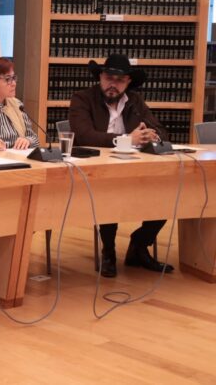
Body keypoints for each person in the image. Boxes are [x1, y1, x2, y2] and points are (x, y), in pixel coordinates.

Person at [69, 54, 173, 278]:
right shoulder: (82, 98)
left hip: (135, 168)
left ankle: (139, 244)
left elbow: (161, 130)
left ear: (128, 82)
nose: (113, 85)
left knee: (169, 193)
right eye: (109, 78)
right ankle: (108, 252)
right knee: (111, 195)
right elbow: (84, 135)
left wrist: (152, 135)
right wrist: (126, 139)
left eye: (120, 80)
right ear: (100, 77)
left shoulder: (134, 101)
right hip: (95, 169)